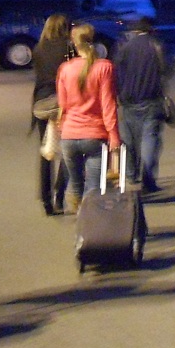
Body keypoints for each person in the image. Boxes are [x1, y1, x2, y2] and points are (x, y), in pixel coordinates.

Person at [55, 23, 121, 214]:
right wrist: (114, 136)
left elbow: (63, 104)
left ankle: (79, 220)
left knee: (75, 183)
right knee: (94, 186)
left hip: (69, 135)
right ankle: (91, 224)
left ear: (73, 44)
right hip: (94, 135)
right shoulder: (104, 67)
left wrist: (62, 128)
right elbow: (108, 105)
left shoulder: (65, 69)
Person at [114, 17, 171, 193]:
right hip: (152, 101)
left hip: (128, 101)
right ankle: (148, 179)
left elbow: (116, 73)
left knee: (129, 140)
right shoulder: (157, 46)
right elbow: (166, 70)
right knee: (149, 140)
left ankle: (131, 175)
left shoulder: (124, 47)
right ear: (150, 29)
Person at [30, 13, 72, 215]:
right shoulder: (69, 47)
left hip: (41, 103)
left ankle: (45, 200)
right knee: (69, 149)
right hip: (63, 103)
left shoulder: (38, 49)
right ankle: (59, 191)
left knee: (47, 152)